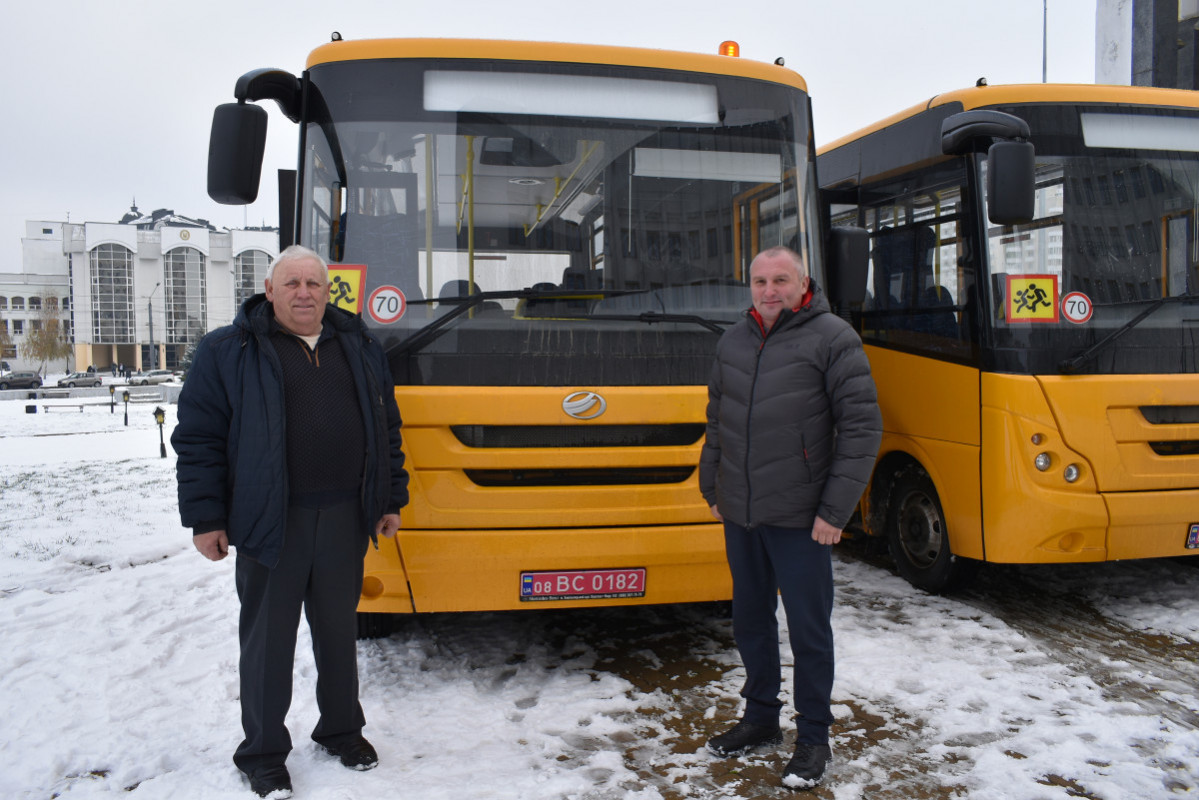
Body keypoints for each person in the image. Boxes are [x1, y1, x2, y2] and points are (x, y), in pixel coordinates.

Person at [172, 244, 409, 799]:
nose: (304, 293)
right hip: (268, 521)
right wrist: (206, 517)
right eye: (293, 283)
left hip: (346, 516)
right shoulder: (228, 351)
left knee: (337, 634)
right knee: (268, 643)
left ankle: (341, 731)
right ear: (270, 290)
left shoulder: (359, 344)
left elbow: (387, 430)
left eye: (314, 284)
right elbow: (198, 440)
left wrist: (388, 499)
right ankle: (261, 752)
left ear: (329, 292)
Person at [698, 245, 881, 790]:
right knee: (750, 620)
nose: (769, 290)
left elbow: (861, 429)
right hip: (742, 510)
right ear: (749, 286)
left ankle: (814, 738)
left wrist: (834, 510)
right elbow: (717, 422)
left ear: (804, 285)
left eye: (781, 279)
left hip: (803, 518)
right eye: (759, 280)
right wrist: (713, 486)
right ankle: (759, 720)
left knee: (807, 630)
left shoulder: (833, 338)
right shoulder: (733, 340)